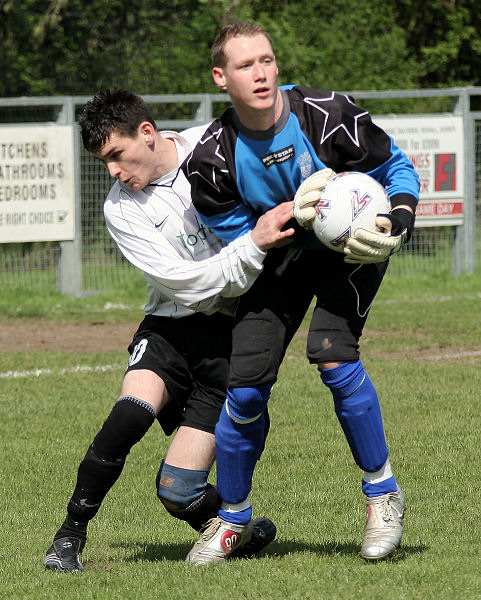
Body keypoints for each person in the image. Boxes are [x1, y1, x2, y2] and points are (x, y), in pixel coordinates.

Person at [183, 22, 420, 564]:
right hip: (281, 259)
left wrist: (398, 217)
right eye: (245, 65)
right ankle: (234, 520)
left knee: (332, 354)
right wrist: (287, 216)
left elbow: (398, 166)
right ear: (221, 77)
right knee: (243, 388)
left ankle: (384, 496)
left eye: (266, 60)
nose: (260, 73)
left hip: (347, 252)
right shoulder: (213, 159)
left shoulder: (326, 113)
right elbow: (234, 235)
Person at [43, 89, 295, 572]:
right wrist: (254, 246)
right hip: (169, 329)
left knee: (178, 490)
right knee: (128, 416)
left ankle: (231, 527)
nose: (114, 172)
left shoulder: (214, 146)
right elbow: (187, 286)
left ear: (147, 132)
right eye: (104, 163)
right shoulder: (121, 209)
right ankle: (69, 536)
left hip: (229, 341)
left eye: (117, 156)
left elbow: (281, 126)